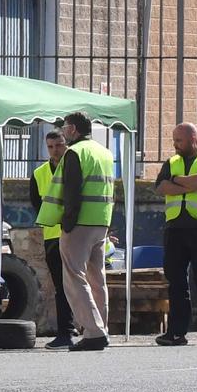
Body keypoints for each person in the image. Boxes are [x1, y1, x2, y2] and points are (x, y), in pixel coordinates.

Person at [154, 122, 197, 346]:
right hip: (175, 229)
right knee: (176, 283)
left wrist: (175, 181)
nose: (175, 145)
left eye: (178, 140)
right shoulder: (171, 161)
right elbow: (161, 187)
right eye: (174, 140)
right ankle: (176, 332)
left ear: (193, 138)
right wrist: (185, 185)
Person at [57, 111, 118, 350]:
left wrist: (67, 222)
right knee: (97, 278)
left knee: (75, 277)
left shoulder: (75, 152)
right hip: (101, 222)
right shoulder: (104, 152)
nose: (63, 132)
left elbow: (72, 192)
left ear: (73, 129)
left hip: (79, 223)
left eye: (64, 128)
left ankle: (93, 332)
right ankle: (102, 328)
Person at [29, 130, 76, 349]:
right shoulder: (39, 174)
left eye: (58, 145)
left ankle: (79, 327)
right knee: (61, 285)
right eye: (50, 146)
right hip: (52, 236)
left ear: (66, 145)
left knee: (79, 283)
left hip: (75, 233)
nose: (55, 150)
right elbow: (37, 206)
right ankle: (66, 330)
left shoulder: (74, 167)